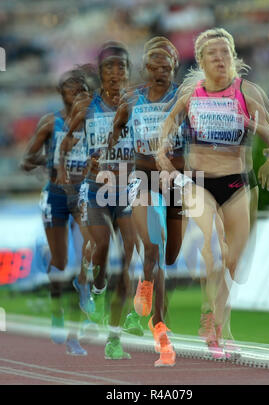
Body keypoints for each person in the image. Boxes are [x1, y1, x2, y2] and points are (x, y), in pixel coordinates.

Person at [157, 28, 269, 359]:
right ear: (201, 60)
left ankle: (217, 325)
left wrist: (264, 150)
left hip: (236, 182)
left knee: (232, 262)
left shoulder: (244, 93)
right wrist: (163, 153)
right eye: (213, 54)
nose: (220, 59)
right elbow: (166, 128)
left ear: (233, 57)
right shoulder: (191, 95)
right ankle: (215, 329)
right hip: (199, 181)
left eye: (225, 52)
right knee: (213, 248)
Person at [109, 36, 184, 367]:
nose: (159, 72)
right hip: (142, 176)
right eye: (152, 66)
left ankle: (147, 279)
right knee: (154, 244)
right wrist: (108, 154)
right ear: (145, 68)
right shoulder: (132, 99)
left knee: (168, 255)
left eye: (165, 67)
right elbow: (116, 131)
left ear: (173, 69)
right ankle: (162, 334)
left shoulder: (183, 98)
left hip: (175, 180)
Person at [59, 41, 136, 360]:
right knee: (102, 249)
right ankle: (97, 285)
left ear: (128, 72)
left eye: (122, 66)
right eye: (109, 67)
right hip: (96, 191)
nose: (116, 72)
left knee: (129, 260)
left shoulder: (137, 103)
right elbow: (65, 145)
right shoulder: (86, 106)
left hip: (128, 190)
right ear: (101, 73)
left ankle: (114, 338)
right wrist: (76, 170)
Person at [21, 69, 93, 355]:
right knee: (61, 262)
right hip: (55, 195)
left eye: (80, 91)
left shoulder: (93, 123)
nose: (75, 96)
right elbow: (27, 160)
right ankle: (56, 310)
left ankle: (83, 288)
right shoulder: (51, 122)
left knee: (92, 244)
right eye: (70, 91)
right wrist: (48, 161)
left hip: (83, 193)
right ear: (61, 94)